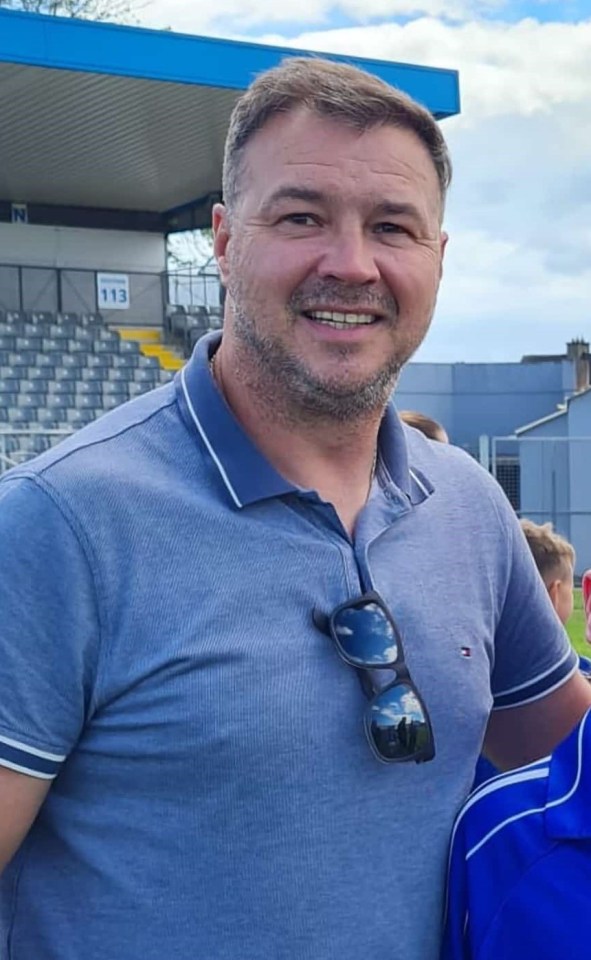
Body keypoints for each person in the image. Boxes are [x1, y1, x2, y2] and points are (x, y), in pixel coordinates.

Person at [0, 57, 590, 960]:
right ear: (225, 242)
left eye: (391, 227)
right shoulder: (60, 523)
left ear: (437, 259)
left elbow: (559, 756)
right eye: (302, 217)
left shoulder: (467, 504)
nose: (349, 264)